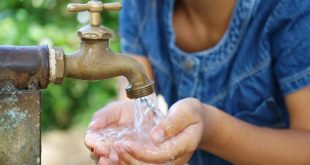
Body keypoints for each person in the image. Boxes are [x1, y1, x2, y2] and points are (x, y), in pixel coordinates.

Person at [85, 0, 310, 164]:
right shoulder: (141, 6)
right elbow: (135, 97)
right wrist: (126, 140)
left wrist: (212, 129)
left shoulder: (290, 11)